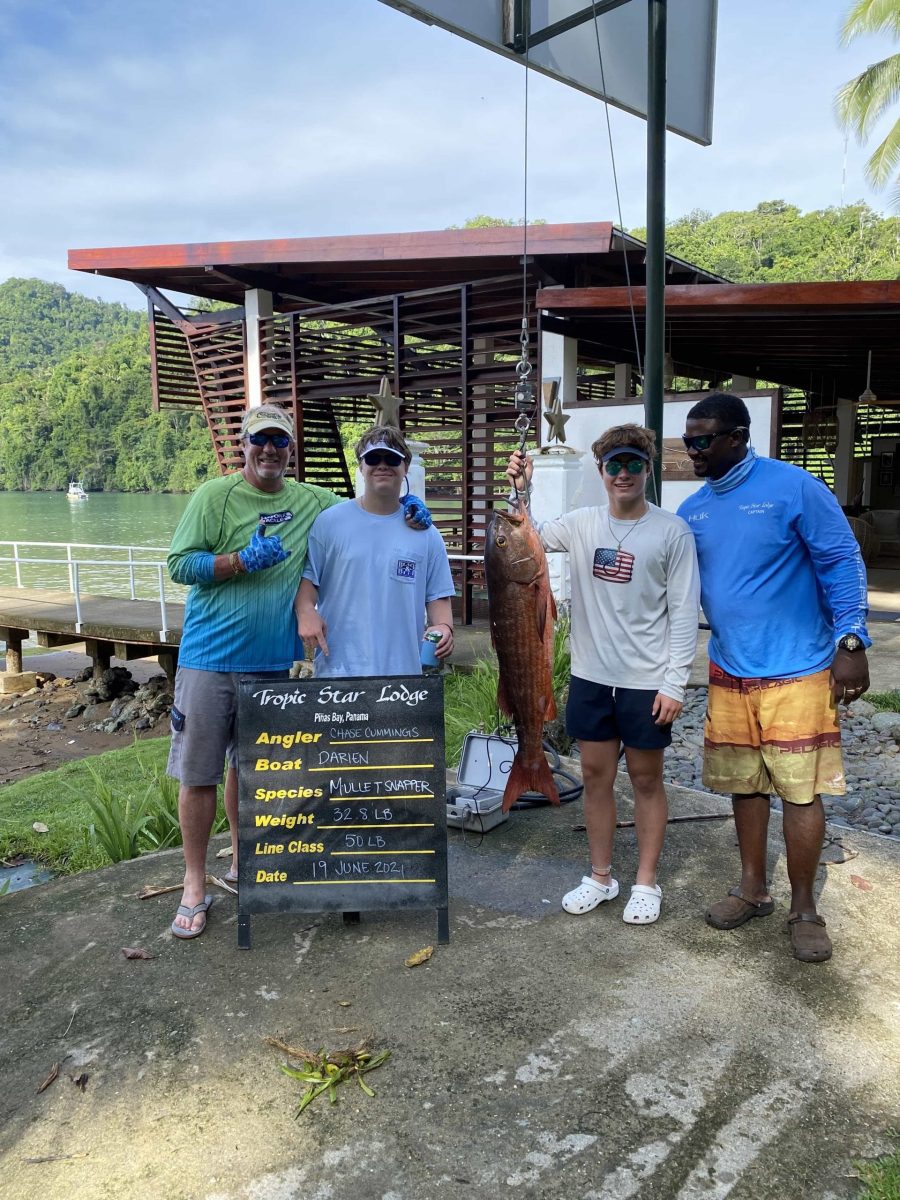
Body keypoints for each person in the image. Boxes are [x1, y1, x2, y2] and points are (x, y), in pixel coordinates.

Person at [166, 405, 432, 938]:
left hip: (274, 668)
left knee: (253, 773)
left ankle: (243, 859)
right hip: (209, 660)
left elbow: (367, 505)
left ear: (291, 449)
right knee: (199, 775)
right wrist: (238, 561)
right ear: (244, 443)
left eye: (280, 441)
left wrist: (407, 505)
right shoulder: (214, 496)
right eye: (260, 439)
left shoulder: (313, 501)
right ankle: (193, 884)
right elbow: (180, 564)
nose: (270, 449)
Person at [676, 392, 870, 964]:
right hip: (729, 670)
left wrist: (851, 641)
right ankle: (753, 889)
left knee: (801, 792)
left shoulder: (793, 487)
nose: (693, 450)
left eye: (703, 439)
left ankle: (804, 908)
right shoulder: (693, 509)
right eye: (687, 441)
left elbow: (841, 560)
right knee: (746, 786)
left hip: (799, 670)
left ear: (737, 437)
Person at [507, 425, 700, 925]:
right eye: (614, 465)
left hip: (647, 680)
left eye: (633, 463)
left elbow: (684, 613)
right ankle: (600, 876)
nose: (623, 474)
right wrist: (523, 489)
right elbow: (526, 536)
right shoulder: (581, 524)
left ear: (648, 469)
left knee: (646, 780)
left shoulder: (672, 531)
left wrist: (675, 683)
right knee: (595, 777)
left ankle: (646, 881)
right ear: (601, 471)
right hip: (592, 677)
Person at [297, 425, 455, 676]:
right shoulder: (328, 523)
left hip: (403, 676)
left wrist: (444, 627)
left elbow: (438, 596)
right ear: (361, 466)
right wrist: (305, 611)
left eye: (392, 459)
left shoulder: (427, 533)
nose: (382, 465)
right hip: (338, 673)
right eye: (373, 458)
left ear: (405, 467)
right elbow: (309, 582)